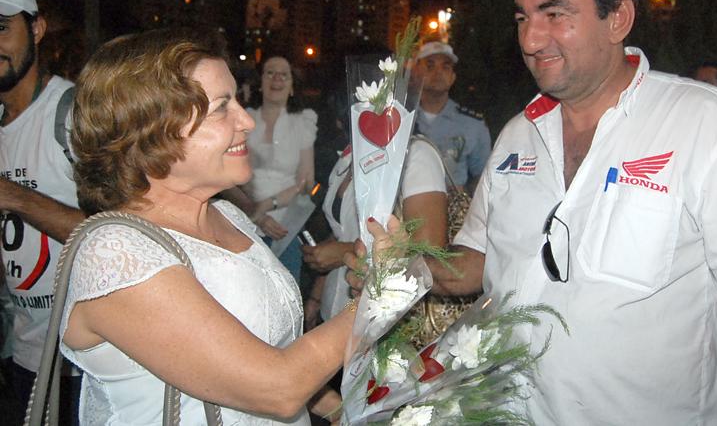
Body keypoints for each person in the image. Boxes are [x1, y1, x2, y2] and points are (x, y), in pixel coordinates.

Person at [445, 0, 717, 424]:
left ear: (619, 18)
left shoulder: (706, 124)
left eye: (554, 14)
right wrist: (402, 265)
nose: (530, 38)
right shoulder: (517, 134)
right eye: (523, 17)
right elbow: (476, 259)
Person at [59, 28, 399, 424]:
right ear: (150, 128)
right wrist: (377, 294)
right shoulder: (116, 255)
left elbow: (256, 351)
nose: (246, 121)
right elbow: (278, 387)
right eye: (222, 107)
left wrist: (336, 410)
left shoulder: (228, 215)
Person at [0, 0, 84, 424]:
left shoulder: (72, 113)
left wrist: (15, 197)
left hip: (81, 361)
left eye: (1, 28)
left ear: (37, 29)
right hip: (24, 352)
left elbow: (121, 233)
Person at [302, 82, 449, 328]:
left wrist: (344, 252)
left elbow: (430, 252)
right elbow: (341, 231)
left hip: (384, 319)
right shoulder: (348, 158)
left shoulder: (414, 154)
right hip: (336, 310)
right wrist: (317, 296)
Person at [223, 56, 317, 281]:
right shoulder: (242, 121)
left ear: (292, 85)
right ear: (260, 82)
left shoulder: (302, 122)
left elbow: (307, 182)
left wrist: (267, 205)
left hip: (285, 229)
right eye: (270, 73)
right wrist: (256, 213)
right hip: (242, 222)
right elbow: (225, 178)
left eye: (284, 74)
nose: (277, 79)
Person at [411, 41, 491, 194]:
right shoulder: (401, 119)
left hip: (453, 206)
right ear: (416, 73)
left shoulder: (472, 124)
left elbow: (484, 176)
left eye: (445, 67)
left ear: (453, 77)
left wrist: (465, 195)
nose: (438, 72)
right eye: (430, 66)